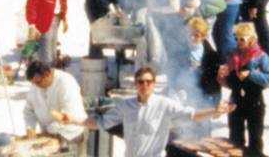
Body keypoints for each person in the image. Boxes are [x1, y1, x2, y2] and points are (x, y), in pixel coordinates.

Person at [85, 66, 230, 157]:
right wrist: (73, 121)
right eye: (141, 82)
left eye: (148, 82)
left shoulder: (163, 104)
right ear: (136, 85)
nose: (145, 85)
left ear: (154, 85)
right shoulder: (126, 106)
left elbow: (191, 115)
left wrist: (214, 111)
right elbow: (100, 122)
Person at [221, 21, 269, 156]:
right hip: (236, 100)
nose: (238, 42)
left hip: (254, 101)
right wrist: (222, 76)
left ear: (251, 39)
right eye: (236, 38)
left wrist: (251, 74)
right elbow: (226, 82)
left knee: (255, 139)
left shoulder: (261, 56)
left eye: (242, 39)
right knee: (235, 139)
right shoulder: (233, 55)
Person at [22, 60, 86, 143]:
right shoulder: (36, 85)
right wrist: (30, 128)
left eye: (38, 82)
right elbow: (29, 110)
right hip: (49, 135)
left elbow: (68, 116)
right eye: (33, 83)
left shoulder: (66, 83)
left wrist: (48, 131)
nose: (35, 85)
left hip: (70, 135)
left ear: (47, 75)